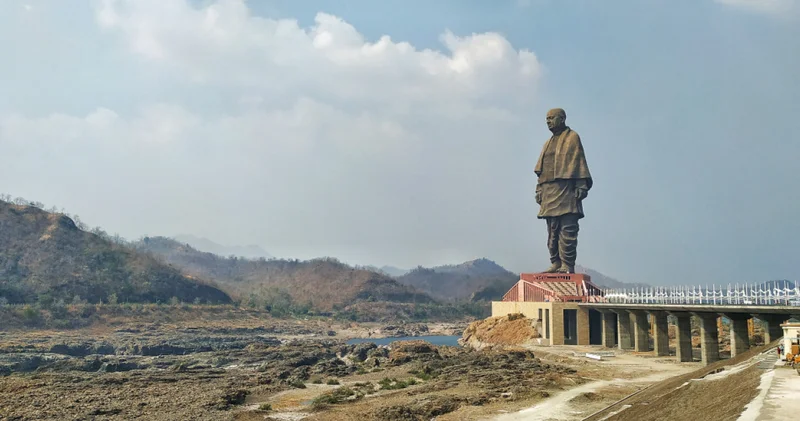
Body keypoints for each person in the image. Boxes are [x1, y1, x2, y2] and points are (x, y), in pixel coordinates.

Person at [534, 108, 592, 274]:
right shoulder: (547, 143)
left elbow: (578, 161)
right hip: (549, 191)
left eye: (552, 118)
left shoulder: (572, 138)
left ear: (562, 118)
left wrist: (581, 185)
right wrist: (539, 190)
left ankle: (567, 264)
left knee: (568, 229)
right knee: (552, 231)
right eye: (547, 119)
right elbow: (541, 171)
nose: (548, 121)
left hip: (566, 190)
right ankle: (555, 262)